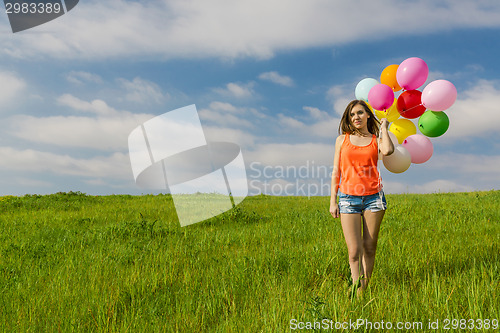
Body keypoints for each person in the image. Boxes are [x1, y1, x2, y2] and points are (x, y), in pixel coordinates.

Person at [329, 99, 394, 297]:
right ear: (348, 118)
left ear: (367, 115)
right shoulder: (342, 140)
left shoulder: (376, 139)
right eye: (352, 114)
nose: (356, 117)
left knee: (369, 247)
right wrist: (333, 200)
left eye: (359, 113)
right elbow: (336, 171)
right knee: (354, 251)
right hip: (348, 198)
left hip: (374, 198)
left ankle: (362, 291)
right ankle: (355, 286)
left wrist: (383, 128)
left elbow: (388, 150)